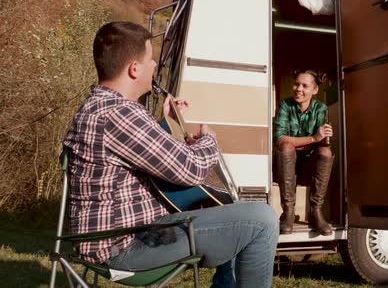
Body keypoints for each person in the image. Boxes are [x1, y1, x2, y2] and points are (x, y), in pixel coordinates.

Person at [63, 21, 278, 288]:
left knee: (236, 212)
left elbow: (140, 153)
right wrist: (209, 139)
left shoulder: (102, 107)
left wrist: (165, 123)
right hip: (127, 245)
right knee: (262, 220)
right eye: (151, 60)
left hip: (127, 235)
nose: (155, 66)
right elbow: (191, 169)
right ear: (134, 69)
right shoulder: (118, 114)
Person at [273, 70, 334, 235]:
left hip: (308, 166)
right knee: (286, 148)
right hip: (285, 165)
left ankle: (316, 211)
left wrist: (322, 137)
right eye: (296, 84)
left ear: (314, 90)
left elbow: (321, 142)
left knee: (326, 152)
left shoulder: (320, 108)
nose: (298, 88)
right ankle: (288, 212)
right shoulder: (284, 105)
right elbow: (279, 139)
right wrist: (313, 138)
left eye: (304, 85)